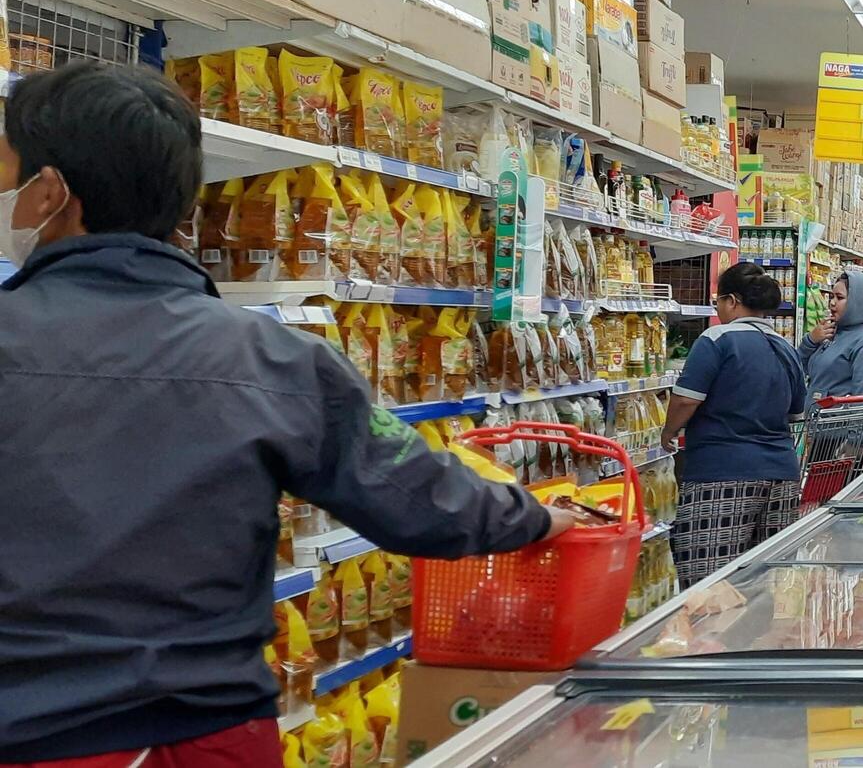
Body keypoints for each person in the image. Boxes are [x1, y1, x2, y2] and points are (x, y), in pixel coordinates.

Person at [0, 64, 571, 764]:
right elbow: (413, 492)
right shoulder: (274, 359)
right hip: (212, 734)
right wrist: (535, 516)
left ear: (51, 193)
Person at [661, 263, 809, 584]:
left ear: (731, 301)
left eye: (717, 301)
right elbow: (796, 413)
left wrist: (669, 431)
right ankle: (754, 634)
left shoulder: (716, 339)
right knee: (764, 583)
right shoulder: (785, 347)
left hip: (722, 473)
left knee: (709, 585)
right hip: (782, 474)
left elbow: (687, 399)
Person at [800, 270, 863, 406]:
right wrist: (810, 341)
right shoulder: (833, 334)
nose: (832, 303)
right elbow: (798, 369)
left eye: (839, 298)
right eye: (832, 297)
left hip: (835, 425)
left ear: (859, 302)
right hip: (816, 423)